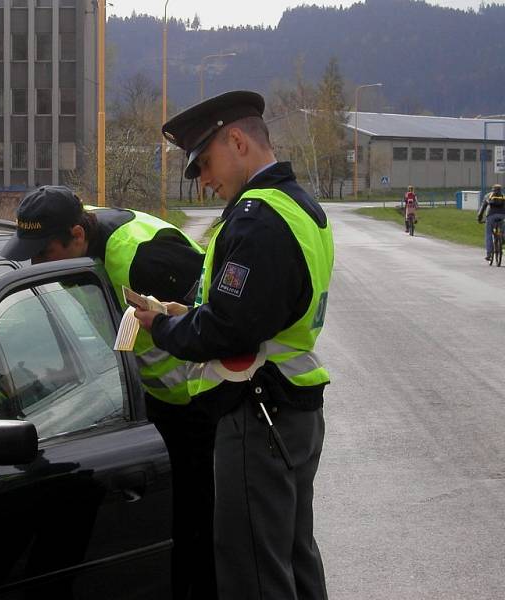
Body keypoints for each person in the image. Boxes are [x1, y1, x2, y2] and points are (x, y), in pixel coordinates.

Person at [133, 90, 333, 600]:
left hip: (257, 414)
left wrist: (161, 327)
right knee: (292, 557)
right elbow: (257, 312)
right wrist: (189, 312)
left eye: (203, 163)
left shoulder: (257, 217)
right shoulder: (299, 206)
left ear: (238, 141)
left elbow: (228, 330)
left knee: (254, 575)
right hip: (292, 411)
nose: (202, 181)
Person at [0, 186, 217, 599]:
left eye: (42, 252)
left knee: (198, 528)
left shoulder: (146, 258)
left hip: (199, 405)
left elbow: (212, 324)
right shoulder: (77, 229)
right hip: (152, 405)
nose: (34, 263)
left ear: (77, 236)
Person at [477, 183, 505, 260]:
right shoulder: (503, 195)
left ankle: (489, 254)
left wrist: (479, 218)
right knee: (502, 229)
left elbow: (482, 208)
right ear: (500, 190)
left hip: (491, 216)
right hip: (502, 215)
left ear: (492, 189)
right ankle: (502, 239)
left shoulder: (488, 196)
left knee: (488, 234)